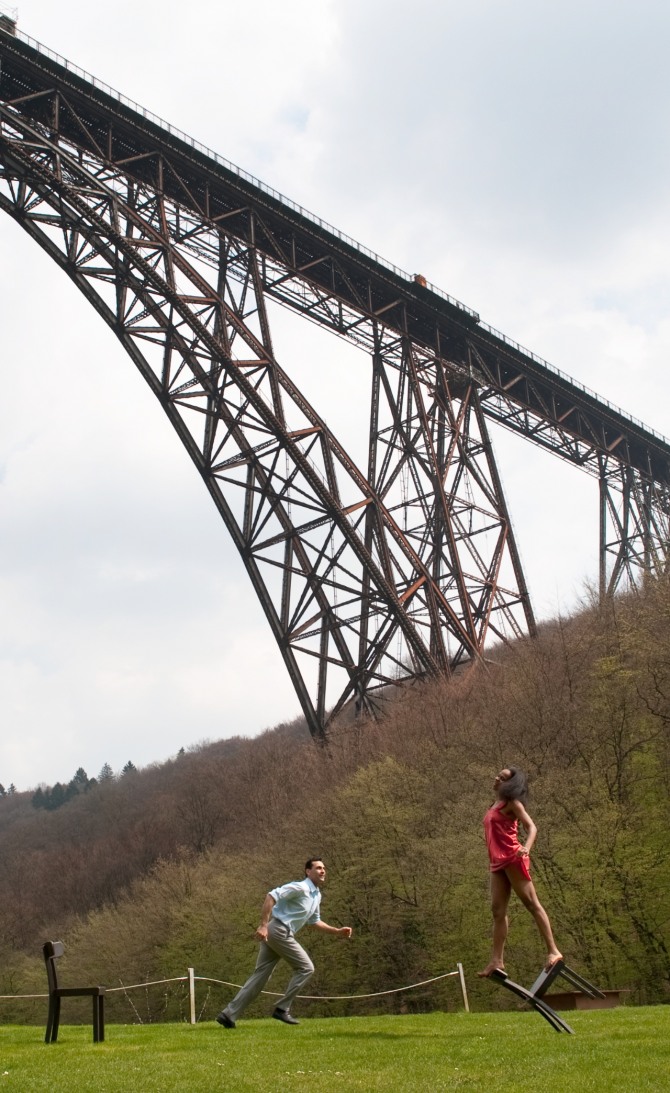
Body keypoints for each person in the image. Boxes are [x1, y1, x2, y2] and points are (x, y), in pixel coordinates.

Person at [216, 858, 352, 1027]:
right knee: (306, 968)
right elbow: (271, 896)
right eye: (318, 868)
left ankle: (228, 1015)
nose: (322, 871)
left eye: (324, 868)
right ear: (308, 872)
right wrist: (263, 925)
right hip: (278, 931)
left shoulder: (316, 895)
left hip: (278, 933)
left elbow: (314, 921)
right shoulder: (300, 887)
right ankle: (282, 1009)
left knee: (259, 977)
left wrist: (337, 932)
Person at [478, 767, 562, 978]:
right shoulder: (494, 805)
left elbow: (532, 827)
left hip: (513, 859)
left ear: (510, 784)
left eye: (503, 778)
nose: (497, 778)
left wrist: (527, 847)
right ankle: (497, 960)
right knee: (497, 911)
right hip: (497, 863)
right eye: (498, 775)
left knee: (532, 904)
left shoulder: (512, 804)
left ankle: (554, 951)